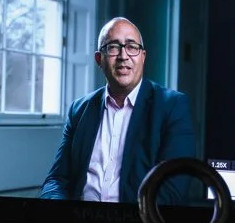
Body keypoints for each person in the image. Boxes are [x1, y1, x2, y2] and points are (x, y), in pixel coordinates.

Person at [39, 16, 205, 205]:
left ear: (143, 57)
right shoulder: (79, 110)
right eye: (113, 47)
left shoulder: (173, 106)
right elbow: (56, 180)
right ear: (99, 59)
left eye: (132, 47)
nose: (123, 56)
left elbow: (173, 190)